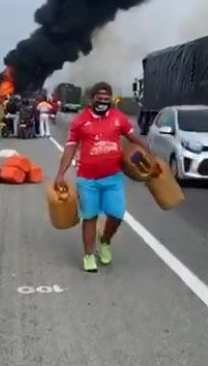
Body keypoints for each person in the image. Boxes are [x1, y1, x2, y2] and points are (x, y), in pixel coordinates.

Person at [55, 82, 154, 273]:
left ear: (111, 100)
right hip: (87, 179)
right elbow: (70, 147)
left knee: (116, 215)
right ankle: (89, 255)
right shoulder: (80, 121)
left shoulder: (118, 118)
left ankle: (105, 240)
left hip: (113, 178)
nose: (103, 102)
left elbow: (134, 138)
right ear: (92, 99)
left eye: (106, 100)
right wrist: (60, 173)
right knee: (90, 217)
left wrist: (151, 154)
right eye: (99, 99)